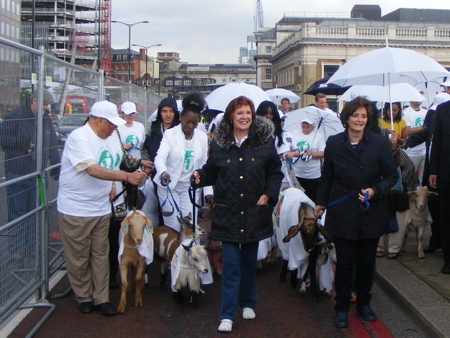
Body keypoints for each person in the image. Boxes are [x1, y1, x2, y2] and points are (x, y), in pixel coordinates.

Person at [191, 96, 283, 333]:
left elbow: (275, 172)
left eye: (248, 113)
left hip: (254, 209)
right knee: (231, 264)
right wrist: (200, 176)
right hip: (228, 211)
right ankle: (227, 314)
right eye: (239, 113)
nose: (244, 117)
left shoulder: (265, 142)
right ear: (231, 116)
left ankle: (248, 302)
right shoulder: (220, 143)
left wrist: (269, 194)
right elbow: (213, 170)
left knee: (248, 263)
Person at [57, 100, 152, 316]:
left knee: (101, 254)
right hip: (76, 208)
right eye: (111, 124)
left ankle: (101, 298)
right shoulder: (79, 137)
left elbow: (116, 161)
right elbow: (92, 169)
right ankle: (84, 296)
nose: (114, 128)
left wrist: (137, 165)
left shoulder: (110, 137)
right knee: (79, 257)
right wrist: (126, 176)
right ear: (99, 121)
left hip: (101, 207)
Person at [315, 97, 398, 328]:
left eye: (364, 116)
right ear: (347, 118)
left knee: (366, 262)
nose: (360, 120)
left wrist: (375, 190)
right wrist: (321, 202)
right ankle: (341, 306)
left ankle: (364, 303)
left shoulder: (379, 143)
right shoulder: (334, 143)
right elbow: (327, 177)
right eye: (355, 115)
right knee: (344, 263)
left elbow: (392, 176)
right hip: (343, 212)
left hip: (370, 211)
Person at [0, 89, 60, 258]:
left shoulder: (45, 118)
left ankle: (32, 247)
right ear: (34, 101)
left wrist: (55, 167)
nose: (46, 108)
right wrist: (22, 143)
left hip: (38, 173)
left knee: (36, 212)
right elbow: (3, 138)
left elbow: (52, 143)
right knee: (17, 212)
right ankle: (16, 249)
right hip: (18, 172)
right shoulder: (15, 116)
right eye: (44, 104)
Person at [154, 92, 212, 232]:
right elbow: (159, 157)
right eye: (187, 122)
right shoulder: (170, 134)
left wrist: (208, 190)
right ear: (180, 117)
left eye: (195, 123)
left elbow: (204, 165)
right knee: (173, 227)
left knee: (190, 226)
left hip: (189, 187)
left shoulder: (202, 137)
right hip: (169, 186)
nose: (191, 126)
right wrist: (164, 172)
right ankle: (173, 253)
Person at [406, 92, 450, 254]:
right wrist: (407, 142)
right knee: (439, 211)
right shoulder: (438, 115)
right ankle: (439, 243)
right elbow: (430, 135)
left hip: (439, 169)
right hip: (438, 171)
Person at [429, 95, 450, 274]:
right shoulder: (443, 109)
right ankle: (448, 258)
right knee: (446, 216)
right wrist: (433, 170)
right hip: (446, 172)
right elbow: (437, 142)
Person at [285, 118, 325, 202]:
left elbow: (324, 153)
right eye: (303, 123)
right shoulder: (294, 133)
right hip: (297, 173)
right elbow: (290, 148)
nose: (305, 125)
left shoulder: (318, 135)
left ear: (312, 125)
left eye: (308, 123)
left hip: (313, 175)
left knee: (312, 199)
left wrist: (313, 154)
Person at [141, 97, 180, 163]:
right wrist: (146, 162)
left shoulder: (180, 130)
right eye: (164, 111)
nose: (168, 115)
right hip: (154, 170)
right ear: (160, 113)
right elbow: (145, 149)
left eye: (171, 111)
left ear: (175, 113)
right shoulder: (153, 130)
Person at [401, 101, 427, 182]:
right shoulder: (405, 113)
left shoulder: (426, 112)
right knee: (409, 179)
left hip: (424, 151)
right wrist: (421, 128)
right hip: (411, 152)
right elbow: (407, 131)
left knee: (423, 181)